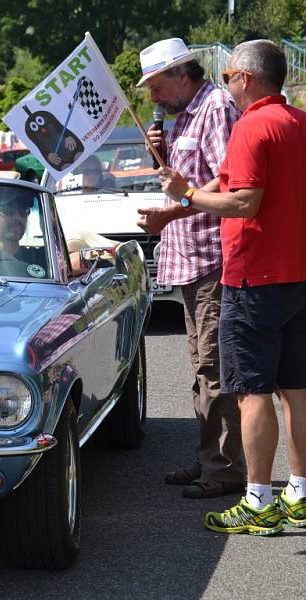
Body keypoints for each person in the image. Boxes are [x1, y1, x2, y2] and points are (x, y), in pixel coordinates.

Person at [161, 39, 306, 535]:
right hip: (298, 274)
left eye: (227, 77)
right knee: (298, 391)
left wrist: (188, 195)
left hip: (253, 275)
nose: (225, 84)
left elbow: (244, 202)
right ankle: (300, 491)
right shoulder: (300, 122)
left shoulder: (251, 127)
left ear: (245, 77)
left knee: (251, 392)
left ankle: (259, 499)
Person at [135, 37, 245, 499]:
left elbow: (227, 179)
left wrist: (171, 213)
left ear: (183, 75)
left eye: (157, 87)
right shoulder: (186, 114)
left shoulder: (215, 106)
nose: (154, 98)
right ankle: (210, 460)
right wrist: (158, 149)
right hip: (190, 260)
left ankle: (224, 469)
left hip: (210, 258)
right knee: (202, 367)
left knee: (214, 367)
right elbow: (180, 181)